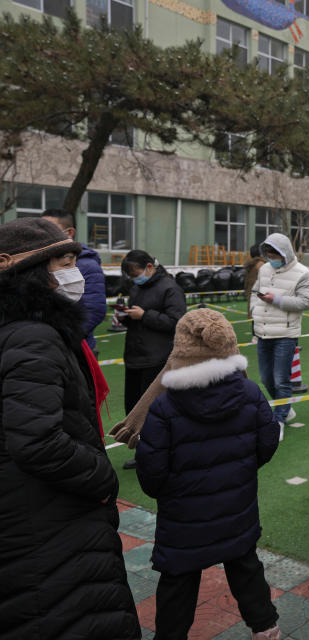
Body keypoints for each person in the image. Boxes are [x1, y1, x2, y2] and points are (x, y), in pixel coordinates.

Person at [0, 218, 140, 639]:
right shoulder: (32, 335)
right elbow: (38, 441)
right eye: (64, 260)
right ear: (29, 269)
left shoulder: (26, 329)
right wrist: (100, 476)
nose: (74, 272)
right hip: (46, 518)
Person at [135, 309, 282, 640]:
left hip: (183, 515)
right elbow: (268, 441)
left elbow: (151, 470)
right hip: (236, 504)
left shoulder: (165, 407)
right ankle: (266, 628)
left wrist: (171, 491)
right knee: (245, 566)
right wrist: (242, 470)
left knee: (178, 581)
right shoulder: (249, 393)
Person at [120, 249, 186, 469]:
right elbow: (137, 318)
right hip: (135, 356)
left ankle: (161, 454)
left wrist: (144, 315)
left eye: (135, 272)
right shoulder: (137, 288)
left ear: (149, 267)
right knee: (134, 409)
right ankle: (143, 453)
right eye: (130, 274)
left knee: (155, 412)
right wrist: (125, 316)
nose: (133, 277)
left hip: (157, 358)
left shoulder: (170, 288)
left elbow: (177, 322)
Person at [250, 233, 309, 424]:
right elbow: (255, 291)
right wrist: (255, 309)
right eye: (268, 254)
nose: (271, 258)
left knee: (281, 380)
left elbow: (306, 301)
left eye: (274, 254)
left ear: (284, 253)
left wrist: (276, 300)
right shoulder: (264, 270)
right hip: (263, 332)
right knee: (266, 378)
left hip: (285, 334)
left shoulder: (303, 273)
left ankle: (279, 419)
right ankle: (286, 408)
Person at [41, 208, 106, 352]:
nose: (43, 235)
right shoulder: (42, 260)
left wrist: (65, 338)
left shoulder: (88, 266)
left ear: (69, 233)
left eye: (50, 229)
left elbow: (95, 311)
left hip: (74, 347)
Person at [243, 244, 266, 319]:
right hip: (259, 293)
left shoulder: (251, 264)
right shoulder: (260, 264)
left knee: (253, 317)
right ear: (260, 253)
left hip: (251, 293)